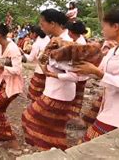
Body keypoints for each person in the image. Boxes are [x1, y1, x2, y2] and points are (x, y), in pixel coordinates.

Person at [72, 4, 119, 142]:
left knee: (91, 145)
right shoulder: (115, 48)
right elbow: (100, 70)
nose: (102, 30)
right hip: (111, 109)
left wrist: (97, 73)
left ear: (116, 27)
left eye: (104, 26)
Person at [22, 9, 80, 151]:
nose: (41, 28)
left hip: (58, 94)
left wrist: (53, 74)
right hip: (54, 91)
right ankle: (53, 151)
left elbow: (74, 76)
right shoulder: (55, 41)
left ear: (52, 24)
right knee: (53, 129)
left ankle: (52, 151)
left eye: (43, 24)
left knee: (30, 118)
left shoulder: (65, 43)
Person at [23, 26, 50, 102]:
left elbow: (30, 59)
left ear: (34, 34)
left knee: (35, 96)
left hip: (40, 71)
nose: (29, 35)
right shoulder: (47, 39)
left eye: (30, 33)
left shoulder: (36, 44)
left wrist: (22, 53)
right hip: (48, 71)